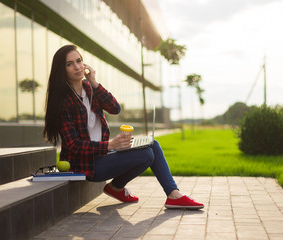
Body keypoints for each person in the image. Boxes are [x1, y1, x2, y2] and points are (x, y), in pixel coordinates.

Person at [43, 45, 204, 209]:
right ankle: (119, 187)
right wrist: (111, 145)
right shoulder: (64, 101)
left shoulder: (89, 88)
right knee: (146, 154)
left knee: (152, 144)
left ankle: (172, 194)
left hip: (103, 154)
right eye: (69, 64)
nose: (77, 67)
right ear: (62, 70)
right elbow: (73, 145)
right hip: (86, 164)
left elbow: (115, 108)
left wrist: (94, 83)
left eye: (79, 61)